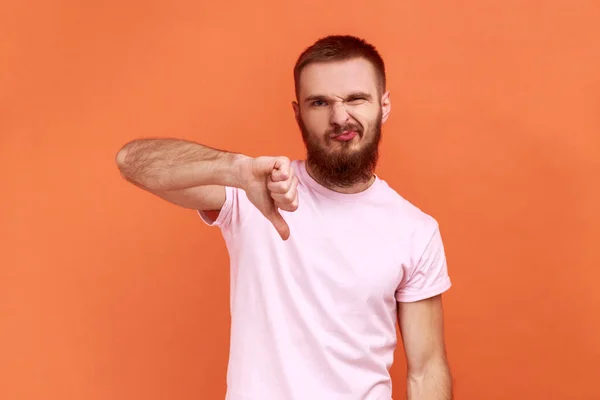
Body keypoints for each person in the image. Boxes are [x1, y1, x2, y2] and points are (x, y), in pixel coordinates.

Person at [116, 35, 453, 400]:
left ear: (383, 105)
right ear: (298, 113)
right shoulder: (256, 190)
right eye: (319, 102)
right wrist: (234, 168)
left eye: (356, 98)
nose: (340, 117)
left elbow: (427, 368)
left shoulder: (415, 230)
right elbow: (132, 163)